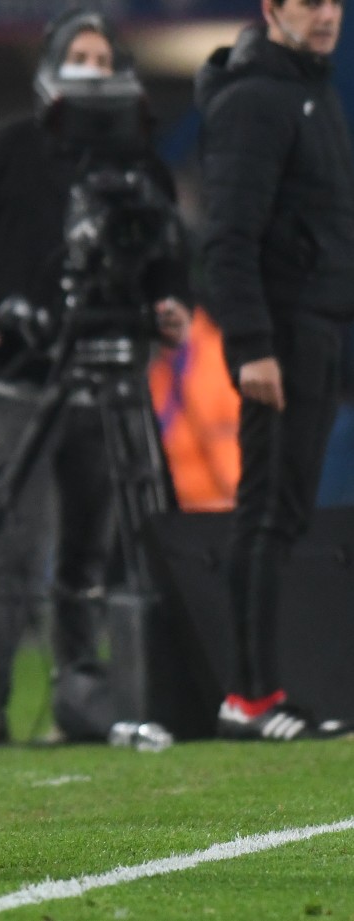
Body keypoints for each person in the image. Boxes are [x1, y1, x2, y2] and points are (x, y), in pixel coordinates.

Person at [0, 9, 191, 745]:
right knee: (8, 543)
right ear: (48, 64)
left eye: (102, 58)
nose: (89, 69)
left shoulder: (141, 164)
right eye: (76, 54)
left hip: (113, 376)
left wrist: (173, 305)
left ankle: (83, 695)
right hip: (23, 377)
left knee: (93, 548)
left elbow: (170, 256)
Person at [197, 0, 354, 740]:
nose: (324, 14)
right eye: (306, 2)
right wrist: (251, 343)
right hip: (281, 338)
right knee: (264, 511)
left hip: (315, 332)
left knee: (283, 514)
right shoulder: (256, 100)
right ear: (271, 10)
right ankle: (247, 697)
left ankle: (265, 689)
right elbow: (225, 236)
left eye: (332, 1)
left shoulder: (310, 90)